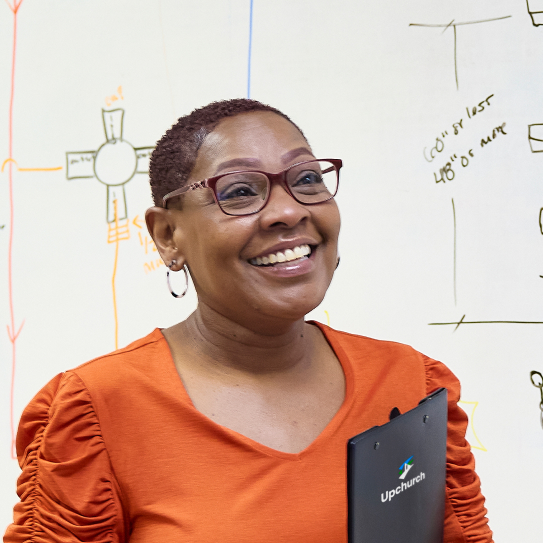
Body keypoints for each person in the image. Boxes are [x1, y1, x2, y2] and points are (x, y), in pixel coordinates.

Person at [4, 99, 493, 543]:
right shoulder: (97, 412)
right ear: (168, 235)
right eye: (239, 191)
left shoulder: (410, 385)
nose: (287, 211)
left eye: (306, 179)